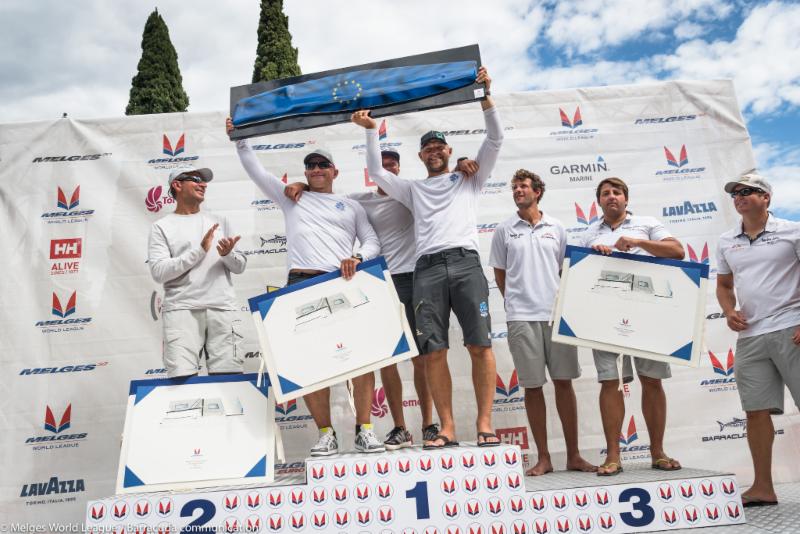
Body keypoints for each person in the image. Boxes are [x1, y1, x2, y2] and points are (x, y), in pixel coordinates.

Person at [351, 66, 503, 449]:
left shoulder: (470, 177)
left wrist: (485, 96)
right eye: (428, 148)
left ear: (449, 152)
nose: (434, 151)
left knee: (480, 346)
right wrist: (370, 130)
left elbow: (495, 138)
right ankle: (446, 428)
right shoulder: (413, 189)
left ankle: (485, 424)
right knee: (434, 352)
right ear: (420, 156)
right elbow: (375, 171)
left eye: (440, 147)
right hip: (427, 269)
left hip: (466, 263)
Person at [285, 150, 479, 449]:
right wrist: (302, 184)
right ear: (373, 173)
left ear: (399, 169)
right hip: (382, 282)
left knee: (423, 357)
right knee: (387, 359)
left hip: (418, 277)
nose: (387, 171)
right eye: (382, 167)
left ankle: (428, 425)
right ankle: (400, 427)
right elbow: (325, 197)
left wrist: (462, 163)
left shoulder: (413, 193)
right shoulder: (360, 201)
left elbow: (444, 190)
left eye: (392, 166)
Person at [227, 118, 383, 456]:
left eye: (322, 165)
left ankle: (365, 430)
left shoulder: (352, 206)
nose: (315, 169)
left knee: (363, 357)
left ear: (334, 172)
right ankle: (326, 433)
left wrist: (357, 257)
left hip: (340, 281)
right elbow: (256, 171)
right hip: (300, 283)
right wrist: (240, 138)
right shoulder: (292, 198)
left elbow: (372, 241)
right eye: (310, 166)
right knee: (311, 362)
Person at [489, 169, 596, 475]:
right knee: (533, 387)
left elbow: (564, 269)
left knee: (564, 382)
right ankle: (544, 457)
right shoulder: (504, 229)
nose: (517, 190)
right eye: (514, 187)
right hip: (521, 317)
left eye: (523, 186)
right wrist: (516, 302)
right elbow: (500, 273)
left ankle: (574, 455)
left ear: (537, 192)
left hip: (555, 316)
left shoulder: (557, 227)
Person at [580, 177, 685, 476]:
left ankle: (658, 452)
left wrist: (637, 242)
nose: (611, 196)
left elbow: (677, 251)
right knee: (609, 382)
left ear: (626, 198)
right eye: (605, 193)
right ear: (599, 201)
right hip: (604, 312)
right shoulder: (588, 234)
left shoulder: (647, 223)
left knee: (652, 380)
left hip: (647, 310)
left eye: (617, 192)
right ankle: (613, 456)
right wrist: (594, 255)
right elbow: (577, 273)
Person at [715, 173, 800, 507]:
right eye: (735, 193)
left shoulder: (792, 231)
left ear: (766, 197)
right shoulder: (726, 241)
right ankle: (763, 487)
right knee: (755, 412)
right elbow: (724, 285)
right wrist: (728, 311)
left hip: (791, 329)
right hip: (750, 336)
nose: (739, 196)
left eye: (748, 191)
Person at [148, 166, 247, 378]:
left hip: (222, 309)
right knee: (182, 382)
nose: (203, 184)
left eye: (204, 181)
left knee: (229, 382)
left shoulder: (220, 221)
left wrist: (228, 254)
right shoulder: (161, 226)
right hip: (181, 310)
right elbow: (159, 272)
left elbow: (239, 266)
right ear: (177, 185)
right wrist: (199, 251)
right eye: (195, 179)